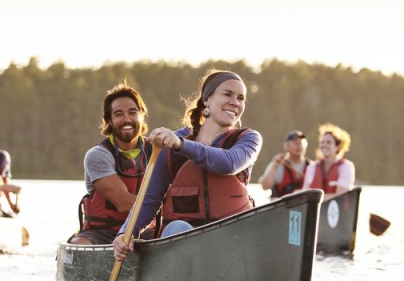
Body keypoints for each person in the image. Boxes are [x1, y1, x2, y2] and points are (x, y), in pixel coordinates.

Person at [113, 70, 262, 261]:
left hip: (231, 243)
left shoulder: (249, 139)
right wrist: (125, 233)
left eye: (241, 98)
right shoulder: (170, 145)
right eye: (228, 94)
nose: (236, 102)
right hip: (186, 248)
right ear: (207, 100)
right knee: (176, 228)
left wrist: (181, 145)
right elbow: (149, 200)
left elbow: (228, 163)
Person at [69, 82, 154, 245]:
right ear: (109, 120)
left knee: (178, 231)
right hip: (103, 233)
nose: (126, 119)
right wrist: (160, 207)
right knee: (79, 243)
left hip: (144, 230)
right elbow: (123, 203)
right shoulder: (97, 156)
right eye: (119, 114)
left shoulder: (157, 152)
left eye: (132, 112)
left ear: (141, 115)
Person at [302, 123, 355, 195]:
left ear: (337, 146)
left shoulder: (346, 166)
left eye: (328, 142)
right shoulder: (312, 167)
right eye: (322, 142)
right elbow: (304, 194)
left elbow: (340, 196)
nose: (324, 145)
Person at [258, 130, 311, 198]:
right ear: (286, 146)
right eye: (296, 143)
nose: (299, 146)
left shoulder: (311, 166)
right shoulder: (278, 165)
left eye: (301, 143)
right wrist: (274, 167)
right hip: (283, 207)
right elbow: (265, 187)